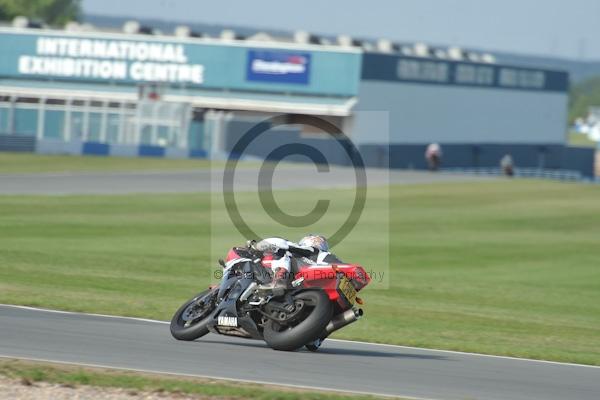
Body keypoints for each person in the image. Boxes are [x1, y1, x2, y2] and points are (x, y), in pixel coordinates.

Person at [255, 234, 342, 292]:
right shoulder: (325, 255)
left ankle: (279, 280)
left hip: (308, 277)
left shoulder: (314, 251)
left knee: (284, 253)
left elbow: (283, 244)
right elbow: (342, 267)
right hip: (308, 286)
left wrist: (257, 247)